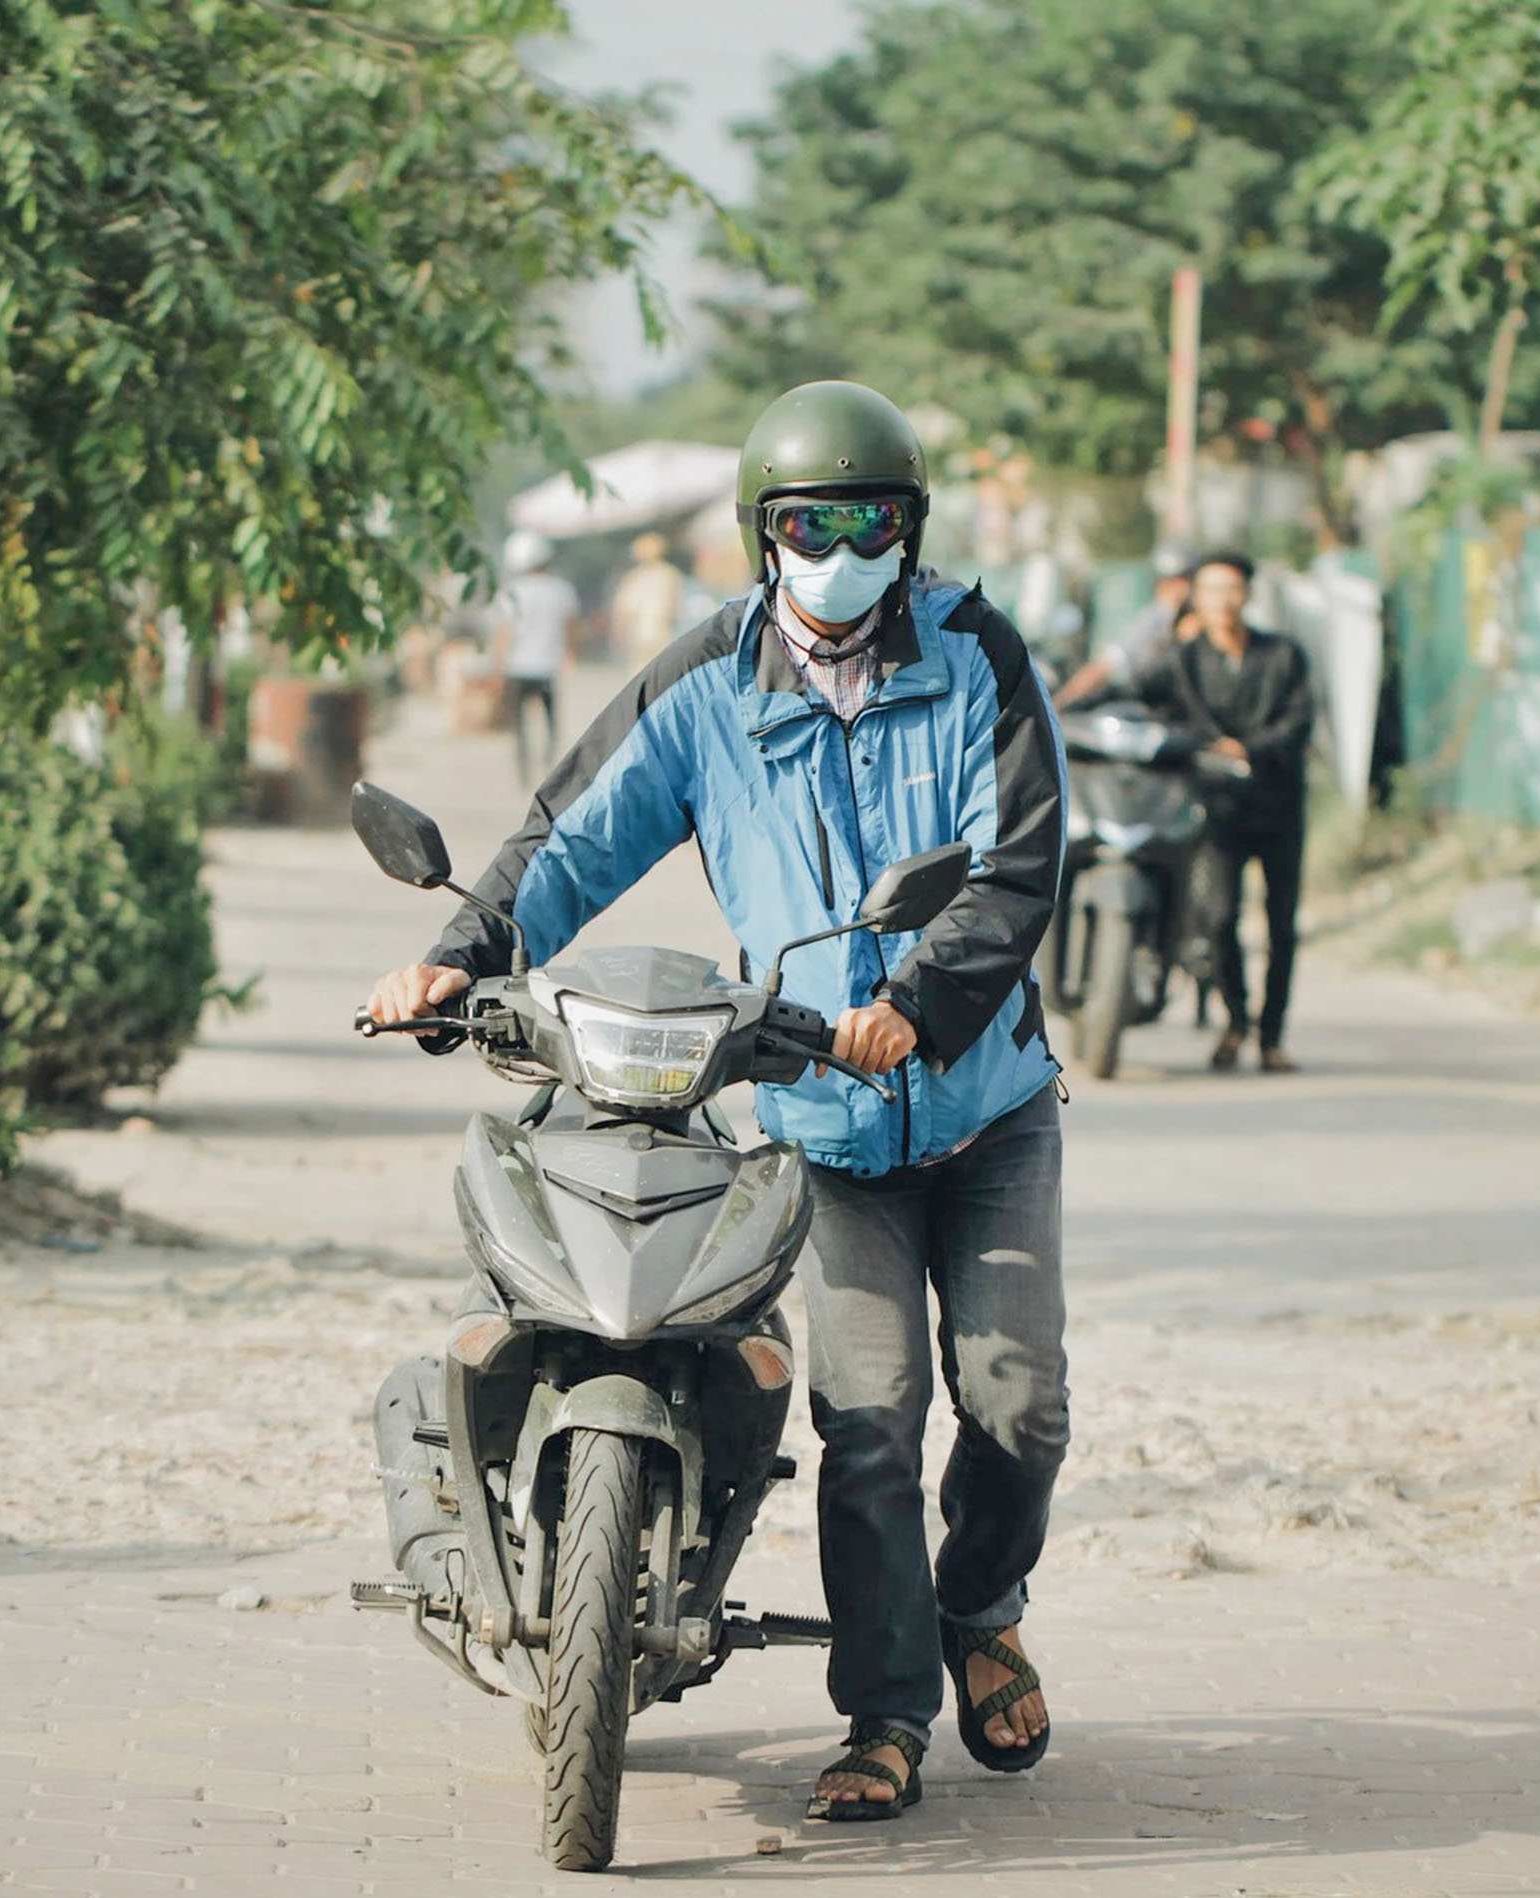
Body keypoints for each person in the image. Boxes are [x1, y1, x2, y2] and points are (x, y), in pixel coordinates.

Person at [368, 381, 1070, 1824]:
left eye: (869, 520)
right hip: (820, 1118)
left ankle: (980, 1606)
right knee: (869, 1417)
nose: (839, 549)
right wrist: (454, 960)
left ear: (910, 530)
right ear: (765, 535)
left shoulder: (982, 654)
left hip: (987, 1101)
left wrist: (920, 1008)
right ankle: (886, 1719)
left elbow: (1018, 867)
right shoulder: (705, 683)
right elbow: (572, 835)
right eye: (809, 523)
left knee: (1018, 1407)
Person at [1125, 550, 1312, 1073]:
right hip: (1216, 810)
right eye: (1210, 591)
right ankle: (1235, 1022)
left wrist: (1245, 749)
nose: (1222, 601)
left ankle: (1272, 1037)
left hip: (1279, 807)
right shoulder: (1181, 659)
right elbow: (1139, 691)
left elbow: (1298, 723)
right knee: (1219, 917)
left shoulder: (1283, 655)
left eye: (1231, 589)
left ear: (1247, 594)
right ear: (1194, 598)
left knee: (1282, 926)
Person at [1051, 544, 1196, 709]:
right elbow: (1109, 662)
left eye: (1184, 580)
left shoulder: (1204, 618)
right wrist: (1061, 701)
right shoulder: (1156, 618)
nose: (1177, 590)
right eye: (1167, 582)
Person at [494, 530, 576, 781]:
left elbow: (505, 632)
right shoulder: (562, 590)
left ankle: (523, 768)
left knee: (519, 723)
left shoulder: (511, 591)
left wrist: (499, 662)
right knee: (549, 719)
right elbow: (570, 626)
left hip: (518, 666)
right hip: (547, 665)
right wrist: (570, 653)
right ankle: (548, 764)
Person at [608, 531, 686, 668]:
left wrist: (618, 632)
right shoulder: (668, 574)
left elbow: (623, 609)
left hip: (651, 632)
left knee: (643, 672)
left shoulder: (636, 577)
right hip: (653, 631)